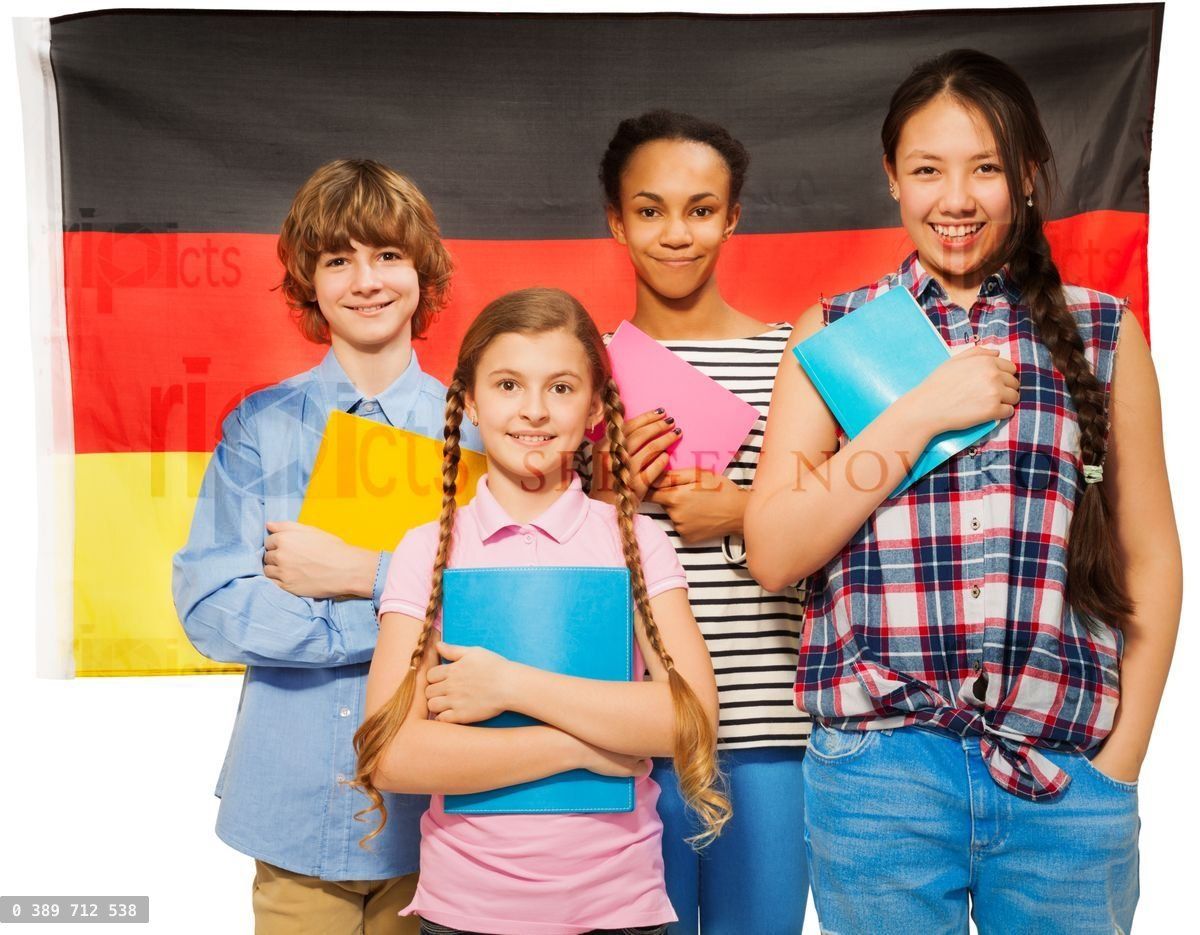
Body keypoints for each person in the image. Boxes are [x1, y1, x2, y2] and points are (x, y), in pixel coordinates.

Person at [746, 49, 1181, 934]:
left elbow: (1153, 554)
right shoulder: (835, 333)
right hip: (880, 777)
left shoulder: (1102, 332)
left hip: (1063, 777)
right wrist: (919, 414)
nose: (956, 197)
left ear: (1024, 175)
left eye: (985, 167)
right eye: (928, 169)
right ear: (892, 181)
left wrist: (1122, 759)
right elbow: (775, 550)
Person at [353, 287, 729, 935]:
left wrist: (509, 684)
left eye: (560, 387)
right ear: (469, 398)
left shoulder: (636, 540)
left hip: (620, 908)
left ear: (593, 407)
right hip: (465, 909)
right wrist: (583, 746)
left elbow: (689, 719)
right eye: (507, 384)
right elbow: (391, 752)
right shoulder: (427, 549)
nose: (533, 410)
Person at [173, 159, 480, 934]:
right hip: (290, 806)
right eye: (338, 259)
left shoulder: (477, 430)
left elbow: (492, 613)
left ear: (423, 272)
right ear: (309, 282)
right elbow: (211, 607)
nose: (365, 279)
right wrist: (398, 617)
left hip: (438, 822)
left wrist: (359, 574)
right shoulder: (260, 427)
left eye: (386, 255)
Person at [589, 110, 810, 934]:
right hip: (629, 732)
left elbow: (848, 535)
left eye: (701, 209)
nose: (675, 233)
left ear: (733, 216)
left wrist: (745, 512)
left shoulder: (795, 356)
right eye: (649, 210)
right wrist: (597, 492)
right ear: (616, 219)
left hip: (769, 729)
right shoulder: (577, 374)